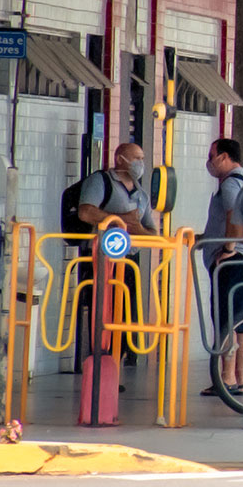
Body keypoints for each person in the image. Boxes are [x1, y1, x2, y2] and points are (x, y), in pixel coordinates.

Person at [77, 142, 158, 366]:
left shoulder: (141, 194)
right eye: (136, 158)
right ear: (120, 159)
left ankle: (115, 364)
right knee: (102, 313)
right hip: (102, 259)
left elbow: (152, 232)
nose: (141, 163)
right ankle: (99, 364)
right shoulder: (101, 181)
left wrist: (136, 228)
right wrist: (119, 220)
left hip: (129, 262)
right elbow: (85, 212)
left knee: (125, 315)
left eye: (142, 158)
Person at [199, 139, 243, 397]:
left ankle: (226, 378)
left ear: (225, 157)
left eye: (212, 155)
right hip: (242, 261)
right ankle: (237, 377)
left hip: (230, 262)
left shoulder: (230, 184)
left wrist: (227, 247)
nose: (209, 160)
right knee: (237, 320)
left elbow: (233, 215)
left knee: (225, 319)